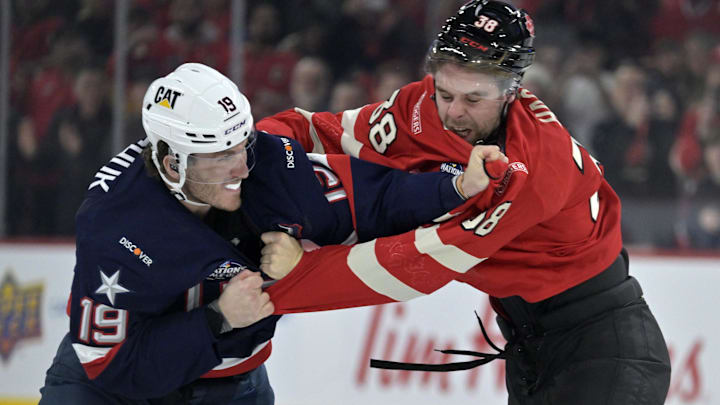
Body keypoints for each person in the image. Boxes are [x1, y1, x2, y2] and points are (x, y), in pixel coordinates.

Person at [256, 1, 672, 404]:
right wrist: (244, 149)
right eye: (445, 92)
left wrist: (295, 277)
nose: (453, 113)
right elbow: (324, 131)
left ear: (511, 91)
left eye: (473, 99)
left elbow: (420, 263)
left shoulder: (534, 167)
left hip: (603, 346)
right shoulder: (421, 105)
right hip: (528, 342)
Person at [39, 63, 502, 404]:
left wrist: (457, 185)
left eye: (243, 145)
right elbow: (113, 367)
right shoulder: (114, 223)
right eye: (221, 155)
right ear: (169, 162)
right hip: (109, 392)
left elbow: (376, 197)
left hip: (231, 386)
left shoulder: (270, 168)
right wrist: (219, 318)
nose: (241, 166)